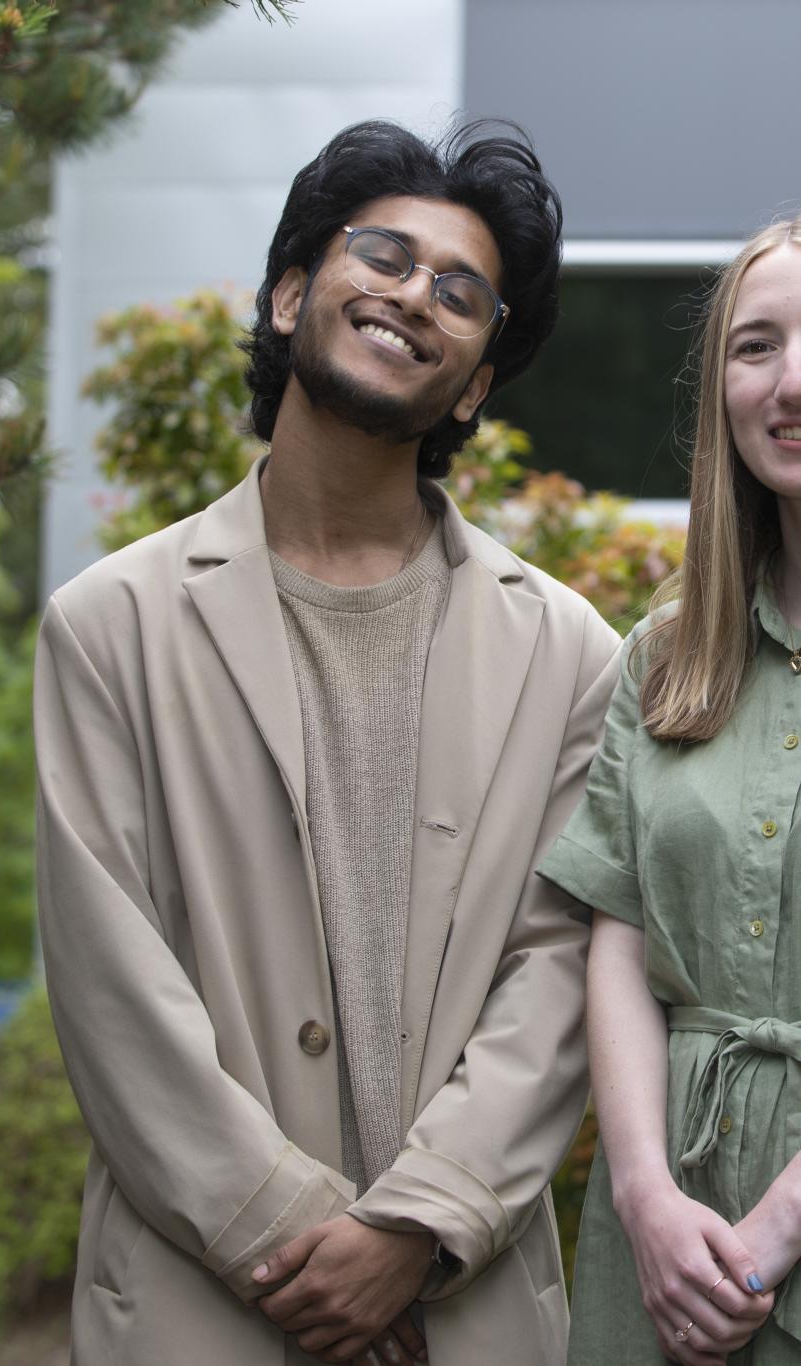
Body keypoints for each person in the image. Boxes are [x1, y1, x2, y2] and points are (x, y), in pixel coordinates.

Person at [34, 119, 620, 1366]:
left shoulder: (571, 652)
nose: (413, 295)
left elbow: (557, 969)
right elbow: (109, 984)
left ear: (472, 380)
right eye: (383, 257)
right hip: (204, 1304)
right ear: (293, 290)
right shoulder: (110, 626)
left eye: (459, 294)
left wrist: (415, 1225)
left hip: (458, 1312)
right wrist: (298, 1240)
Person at [539, 216, 801, 1365]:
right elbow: (617, 940)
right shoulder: (662, 653)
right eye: (754, 346)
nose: (789, 381)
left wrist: (774, 1229)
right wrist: (641, 1193)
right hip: (663, 1234)